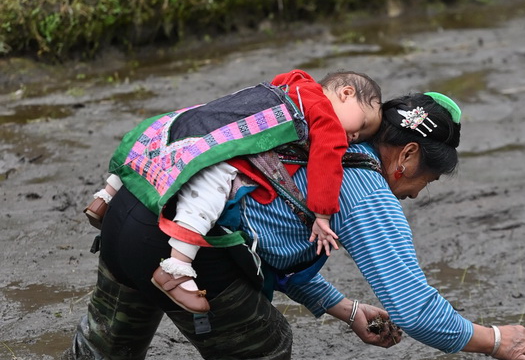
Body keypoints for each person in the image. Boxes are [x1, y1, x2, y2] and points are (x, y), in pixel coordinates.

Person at [45, 90, 525, 360]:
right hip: (185, 247)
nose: (415, 193)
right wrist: (493, 340)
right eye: (426, 181)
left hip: (132, 211)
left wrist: (347, 311)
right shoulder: (364, 185)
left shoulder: (311, 136)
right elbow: (412, 308)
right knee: (264, 348)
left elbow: (275, 245)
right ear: (407, 156)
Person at [82, 70, 382, 313]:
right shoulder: (326, 119)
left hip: (207, 120)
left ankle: (105, 196)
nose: (355, 137)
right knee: (211, 187)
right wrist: (322, 213)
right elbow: (326, 161)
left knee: (166, 133)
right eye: (363, 125)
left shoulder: (296, 81)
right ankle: (177, 266)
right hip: (229, 146)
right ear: (345, 94)